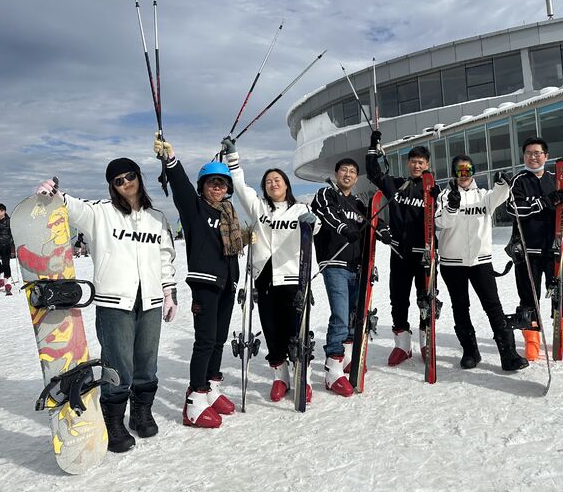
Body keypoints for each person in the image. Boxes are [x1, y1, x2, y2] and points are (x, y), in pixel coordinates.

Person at [34, 159, 177, 453]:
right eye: (118, 180)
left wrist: (168, 292)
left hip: (149, 301)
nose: (126, 183)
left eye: (130, 176)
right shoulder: (101, 213)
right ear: (112, 186)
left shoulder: (157, 218)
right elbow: (74, 208)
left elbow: (165, 258)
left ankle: (141, 412)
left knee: (147, 362)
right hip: (115, 302)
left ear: (138, 176)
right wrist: (55, 196)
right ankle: (113, 421)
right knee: (118, 364)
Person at [220, 137, 321, 403]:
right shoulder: (259, 209)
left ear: (286, 185)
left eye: (278, 180)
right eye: (268, 181)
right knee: (271, 329)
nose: (273, 184)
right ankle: (280, 377)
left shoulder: (300, 209)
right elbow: (240, 186)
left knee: (295, 330)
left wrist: (313, 223)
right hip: (264, 277)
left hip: (293, 277)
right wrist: (233, 158)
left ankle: (303, 376)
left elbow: (314, 228)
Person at [154, 135, 243, 428]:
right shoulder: (195, 210)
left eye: (222, 184)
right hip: (205, 283)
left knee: (219, 339)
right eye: (211, 183)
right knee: (205, 341)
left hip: (228, 283)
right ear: (203, 186)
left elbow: (239, 242)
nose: (217, 188)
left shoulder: (229, 213)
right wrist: (170, 159)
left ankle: (211, 388)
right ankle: (195, 398)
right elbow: (179, 186)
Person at [435, 156, 528, 372]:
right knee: (460, 307)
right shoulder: (445, 195)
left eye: (468, 170)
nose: (464, 174)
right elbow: (440, 222)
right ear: (454, 173)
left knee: (493, 306)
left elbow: (500, 196)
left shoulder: (484, 195)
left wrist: (503, 182)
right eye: (460, 170)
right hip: (452, 262)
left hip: (480, 260)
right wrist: (452, 207)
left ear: (474, 171)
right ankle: (470, 351)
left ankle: (508, 354)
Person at [311, 158, 391, 396]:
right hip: (334, 262)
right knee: (340, 313)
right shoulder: (326, 194)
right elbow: (326, 215)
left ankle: (346, 357)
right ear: (336, 173)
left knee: (353, 314)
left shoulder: (357, 203)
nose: (348, 174)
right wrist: (344, 229)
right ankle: (332, 369)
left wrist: (382, 230)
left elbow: (371, 221)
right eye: (344, 170)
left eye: (353, 172)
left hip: (357, 266)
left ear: (356, 178)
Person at [366, 131, 438, 366]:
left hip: (424, 255)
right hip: (399, 253)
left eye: (421, 162)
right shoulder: (397, 185)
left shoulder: (432, 190)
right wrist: (373, 147)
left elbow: (445, 219)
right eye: (413, 161)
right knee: (398, 299)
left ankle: (426, 343)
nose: (417, 165)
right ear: (408, 163)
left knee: (425, 300)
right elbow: (374, 173)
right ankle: (402, 346)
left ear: (427, 165)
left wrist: (438, 200)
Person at [507, 137, 563, 361]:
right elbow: (513, 209)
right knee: (529, 296)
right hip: (528, 251)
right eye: (529, 153)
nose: (533, 157)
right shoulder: (518, 181)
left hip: (556, 249)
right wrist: (543, 202)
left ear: (545, 156)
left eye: (538, 153)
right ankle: (532, 340)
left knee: (562, 293)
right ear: (524, 156)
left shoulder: (558, 179)